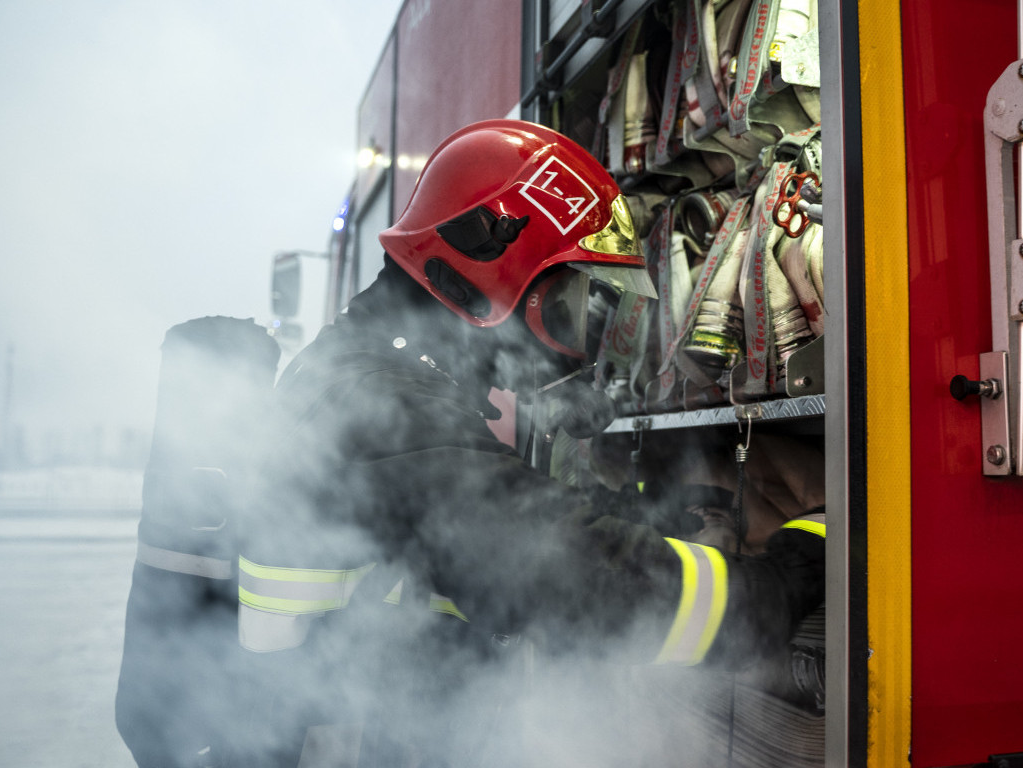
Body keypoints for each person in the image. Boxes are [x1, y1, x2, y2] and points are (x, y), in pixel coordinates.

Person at [232, 119, 825, 768]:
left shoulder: (367, 373)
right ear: (486, 276)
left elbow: (465, 542)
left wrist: (627, 517)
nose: (577, 342)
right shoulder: (386, 402)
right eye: (570, 305)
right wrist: (781, 580)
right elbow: (577, 586)